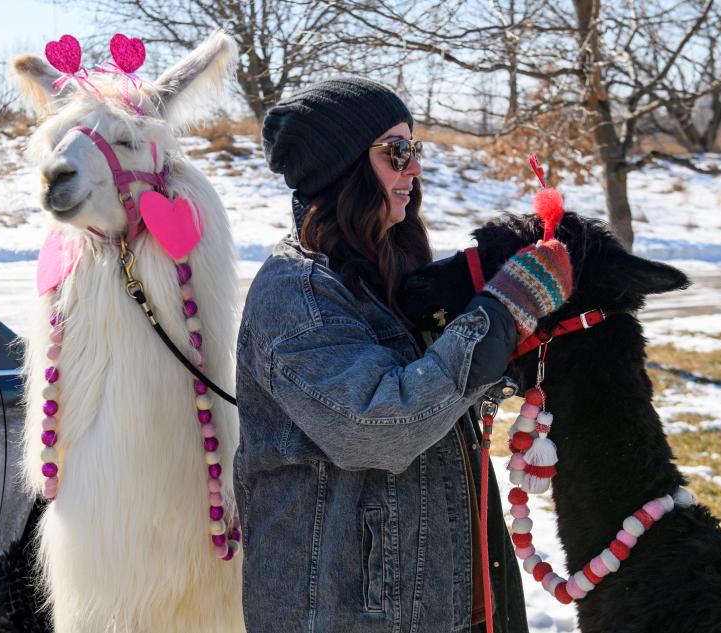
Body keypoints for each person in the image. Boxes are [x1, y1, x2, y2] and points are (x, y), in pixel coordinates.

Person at [233, 78, 573, 633]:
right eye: (397, 151)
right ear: (340, 166)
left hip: (440, 596)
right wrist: (499, 317)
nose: (413, 168)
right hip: (347, 614)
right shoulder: (298, 292)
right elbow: (378, 426)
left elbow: (440, 397)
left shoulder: (388, 269)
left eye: (415, 150)